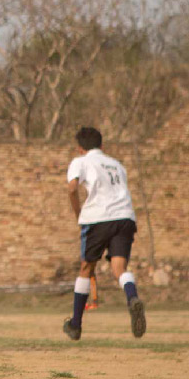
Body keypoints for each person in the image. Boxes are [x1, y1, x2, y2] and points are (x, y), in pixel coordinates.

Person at [63, 126, 146, 341]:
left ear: (79, 148)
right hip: (125, 218)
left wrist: (78, 214)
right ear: (102, 145)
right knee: (119, 268)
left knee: (86, 268)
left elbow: (72, 188)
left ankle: (76, 324)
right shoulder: (117, 164)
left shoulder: (80, 161)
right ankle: (132, 298)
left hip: (98, 218)